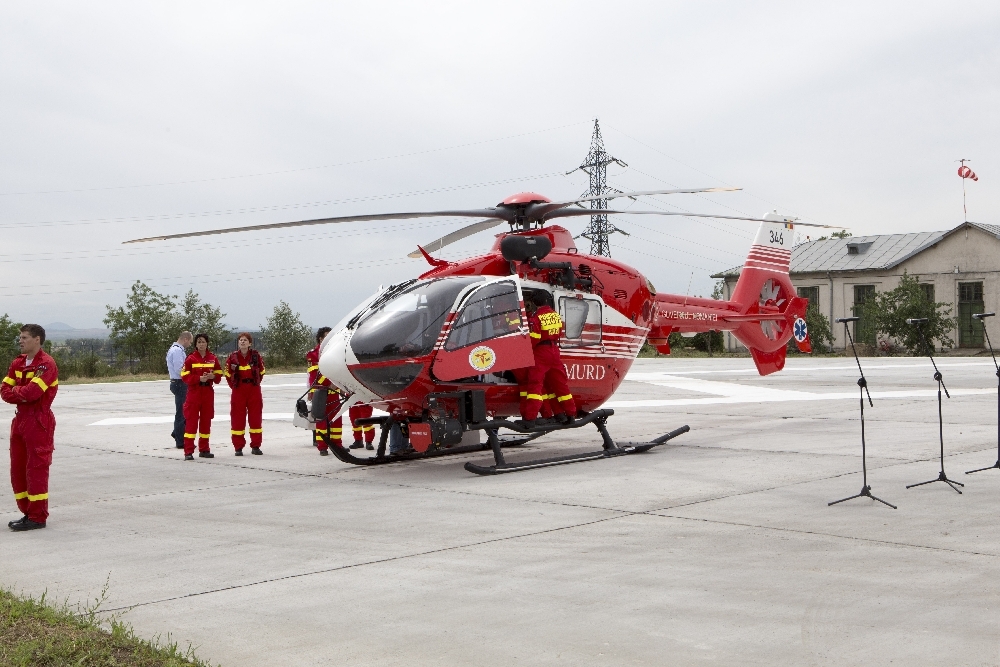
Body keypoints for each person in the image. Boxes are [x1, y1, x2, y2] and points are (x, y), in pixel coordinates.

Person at [1, 324, 58, 531]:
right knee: (17, 469)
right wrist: (20, 391)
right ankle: (27, 511)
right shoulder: (18, 363)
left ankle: (37, 516)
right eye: (21, 337)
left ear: (37, 340)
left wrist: (18, 391)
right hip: (20, 420)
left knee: (36, 469)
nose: (21, 341)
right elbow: (4, 392)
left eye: (25, 337)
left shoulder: (46, 364)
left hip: (38, 421)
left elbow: (33, 393)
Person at [521, 294, 577, 425]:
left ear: (534, 303)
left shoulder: (536, 318)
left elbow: (534, 338)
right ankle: (570, 414)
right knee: (560, 386)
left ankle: (530, 418)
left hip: (541, 352)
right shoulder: (555, 315)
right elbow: (559, 332)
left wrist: (525, 350)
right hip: (554, 351)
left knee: (535, 385)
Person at [180, 333, 222, 460]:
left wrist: (212, 376)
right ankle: (188, 451)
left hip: (208, 393)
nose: (201, 344)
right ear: (196, 345)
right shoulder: (191, 359)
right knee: (191, 422)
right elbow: (184, 376)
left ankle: (204, 449)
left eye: (203, 341)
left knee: (206, 421)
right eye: (199, 342)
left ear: (207, 343)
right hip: (194, 393)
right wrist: (199, 378)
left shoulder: (212, 358)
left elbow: (219, 375)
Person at [225, 332, 266, 456]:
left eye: (245, 340)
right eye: (241, 340)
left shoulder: (256, 356)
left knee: (255, 418)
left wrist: (255, 384)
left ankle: (256, 446)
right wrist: (234, 387)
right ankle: (238, 447)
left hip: (253, 389)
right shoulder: (232, 357)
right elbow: (227, 374)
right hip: (238, 390)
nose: (242, 342)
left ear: (250, 343)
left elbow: (262, 372)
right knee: (237, 418)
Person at [306, 327, 344, 455]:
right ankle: (322, 447)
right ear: (320, 339)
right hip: (320, 393)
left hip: (335, 393)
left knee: (337, 420)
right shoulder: (312, 355)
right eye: (326, 337)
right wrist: (330, 383)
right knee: (321, 420)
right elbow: (314, 376)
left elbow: (340, 371)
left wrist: (338, 385)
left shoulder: (337, 353)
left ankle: (337, 445)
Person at [166, 331, 193, 449]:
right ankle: (180, 440)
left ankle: (177, 432)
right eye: (190, 342)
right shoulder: (177, 351)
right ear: (186, 339)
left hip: (178, 383)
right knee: (182, 413)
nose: (190, 344)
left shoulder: (176, 349)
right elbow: (179, 369)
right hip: (180, 383)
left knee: (184, 411)